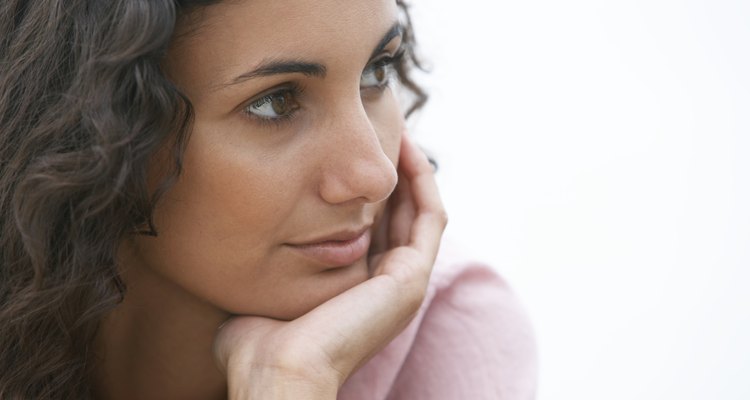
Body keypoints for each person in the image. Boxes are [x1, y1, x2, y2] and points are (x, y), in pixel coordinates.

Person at [0, 0, 537, 398]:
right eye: (275, 102)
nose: (375, 175)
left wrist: (290, 382)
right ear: (90, 132)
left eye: (377, 72)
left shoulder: (449, 330)